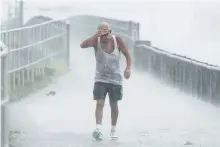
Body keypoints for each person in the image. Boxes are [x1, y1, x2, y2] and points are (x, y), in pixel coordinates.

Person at [80, 22, 131, 140]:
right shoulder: (95, 40)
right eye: (101, 32)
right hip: (100, 78)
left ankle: (113, 129)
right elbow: (82, 45)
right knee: (100, 103)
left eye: (105, 31)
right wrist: (95, 35)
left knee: (114, 105)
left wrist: (128, 68)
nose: (103, 34)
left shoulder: (117, 40)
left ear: (110, 31)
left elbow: (128, 55)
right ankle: (98, 128)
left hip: (115, 79)